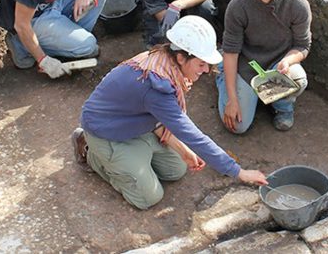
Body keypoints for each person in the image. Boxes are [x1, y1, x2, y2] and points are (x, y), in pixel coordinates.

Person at [71, 16, 268, 209]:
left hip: (135, 124)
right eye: (201, 64)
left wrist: (183, 150)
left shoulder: (165, 62)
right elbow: (190, 133)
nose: (207, 70)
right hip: (106, 133)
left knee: (176, 169)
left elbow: (159, 116)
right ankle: (90, 151)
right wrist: (239, 172)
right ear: (181, 57)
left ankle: (133, 160)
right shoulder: (156, 85)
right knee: (148, 198)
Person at [216, 0, 312, 133]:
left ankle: (282, 106)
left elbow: (303, 45)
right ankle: (225, 80)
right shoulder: (239, 6)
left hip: (276, 65)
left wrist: (288, 60)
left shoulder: (297, 5)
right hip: (246, 65)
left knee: (298, 78)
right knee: (237, 126)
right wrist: (233, 100)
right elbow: (231, 51)